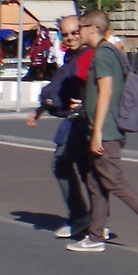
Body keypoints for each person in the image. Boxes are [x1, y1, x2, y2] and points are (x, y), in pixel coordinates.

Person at [65, 10, 138, 256]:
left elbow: (106, 93)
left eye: (80, 27)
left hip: (107, 130)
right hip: (105, 128)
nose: (77, 32)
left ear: (92, 28)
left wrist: (98, 131)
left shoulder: (102, 55)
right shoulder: (108, 52)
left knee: (112, 179)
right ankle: (96, 235)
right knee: (96, 180)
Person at [35, 13, 95, 242]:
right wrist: (43, 104)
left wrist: (52, 98)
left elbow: (65, 87)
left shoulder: (87, 55)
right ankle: (91, 220)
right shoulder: (73, 55)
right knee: (87, 171)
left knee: (65, 165)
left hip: (81, 121)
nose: (69, 38)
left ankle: (85, 219)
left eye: (74, 32)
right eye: (65, 34)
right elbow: (58, 85)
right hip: (75, 120)